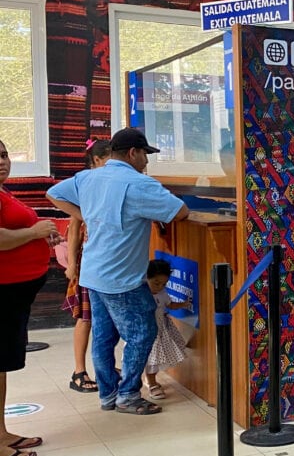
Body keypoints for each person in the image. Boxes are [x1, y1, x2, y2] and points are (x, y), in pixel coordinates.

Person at [46, 128, 189, 415]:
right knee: (142, 333)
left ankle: (108, 395)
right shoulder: (138, 184)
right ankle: (128, 395)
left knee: (103, 336)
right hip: (121, 277)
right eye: (145, 155)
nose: (146, 162)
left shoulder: (89, 177)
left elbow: (53, 193)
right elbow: (180, 212)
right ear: (133, 153)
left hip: (93, 272)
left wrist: (84, 213)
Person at [0, 139, 60, 456]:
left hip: (13, 294)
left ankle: (2, 433)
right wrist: (35, 232)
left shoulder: (4, 192)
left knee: (2, 366)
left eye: (5, 154)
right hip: (3, 292)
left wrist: (38, 234)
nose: (2, 161)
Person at [64, 138, 112, 393]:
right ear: (96, 160)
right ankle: (79, 371)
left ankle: (105, 365)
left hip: (106, 259)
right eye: (109, 160)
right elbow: (74, 230)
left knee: (104, 318)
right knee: (86, 317)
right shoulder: (85, 184)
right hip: (88, 260)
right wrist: (72, 263)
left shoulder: (109, 183)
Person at [143, 259, 189, 399]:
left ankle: (151, 381)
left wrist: (183, 304)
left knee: (154, 359)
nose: (159, 287)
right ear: (146, 278)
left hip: (160, 330)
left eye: (163, 284)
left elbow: (170, 305)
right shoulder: (141, 293)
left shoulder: (163, 294)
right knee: (148, 359)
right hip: (145, 331)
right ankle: (151, 383)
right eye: (156, 283)